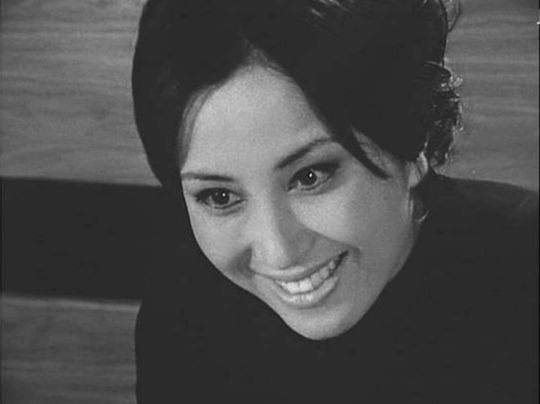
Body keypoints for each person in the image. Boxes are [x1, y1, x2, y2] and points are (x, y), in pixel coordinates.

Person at [131, 0, 538, 402]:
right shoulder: (185, 314)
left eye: (310, 177)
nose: (278, 252)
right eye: (220, 196)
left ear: (415, 140)